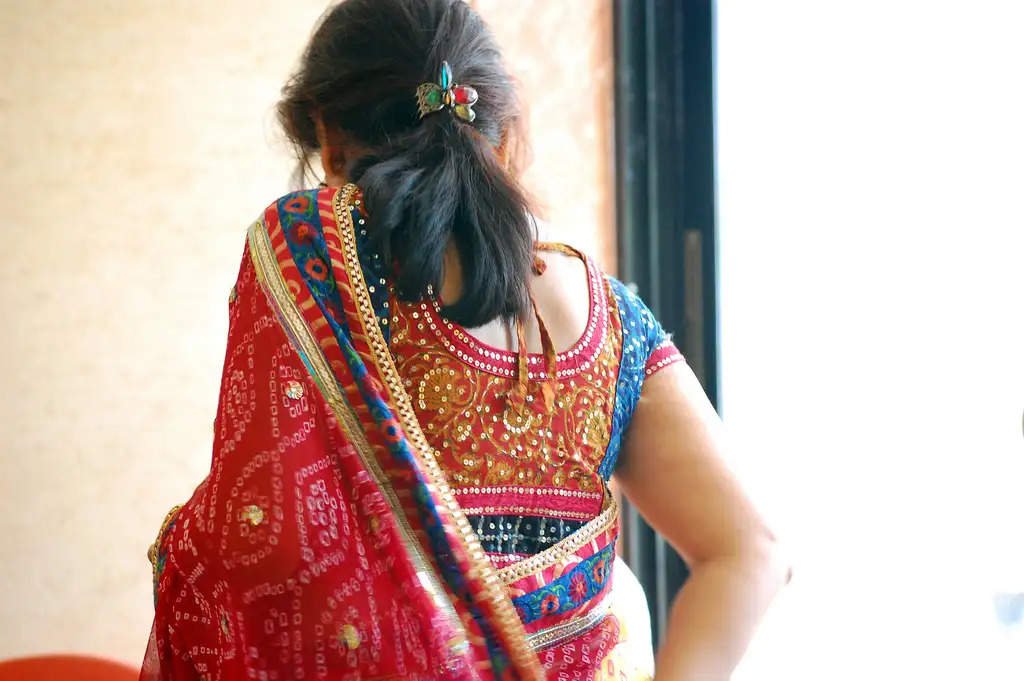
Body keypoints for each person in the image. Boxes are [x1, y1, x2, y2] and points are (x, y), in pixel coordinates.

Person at [140, 1, 791, 679]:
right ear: (503, 136)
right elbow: (752, 551)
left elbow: (259, 551)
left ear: (329, 142)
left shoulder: (309, 250)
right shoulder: (616, 318)